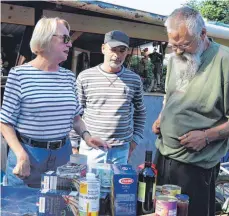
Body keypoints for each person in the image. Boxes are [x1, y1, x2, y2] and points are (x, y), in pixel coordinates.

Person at [0, 17, 106, 188]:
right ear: (45, 39)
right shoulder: (19, 75)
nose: (70, 44)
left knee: (59, 207)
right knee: (22, 209)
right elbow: (5, 122)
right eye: (65, 39)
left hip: (62, 155)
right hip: (29, 154)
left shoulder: (69, 77)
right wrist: (20, 154)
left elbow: (75, 118)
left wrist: (87, 136)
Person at [152, 7, 229, 216]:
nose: (177, 51)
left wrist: (206, 136)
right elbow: (171, 96)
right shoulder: (177, 58)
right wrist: (162, 117)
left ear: (203, 34)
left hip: (195, 167)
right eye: (173, 45)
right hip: (164, 156)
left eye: (184, 44)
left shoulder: (224, 61)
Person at [77, 30, 146, 164]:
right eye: (113, 49)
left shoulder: (134, 80)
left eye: (122, 50)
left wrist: (135, 141)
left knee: (117, 185)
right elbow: (76, 113)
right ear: (103, 48)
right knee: (87, 185)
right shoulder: (85, 77)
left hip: (120, 151)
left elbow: (141, 111)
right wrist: (74, 146)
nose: (117, 55)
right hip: (91, 148)